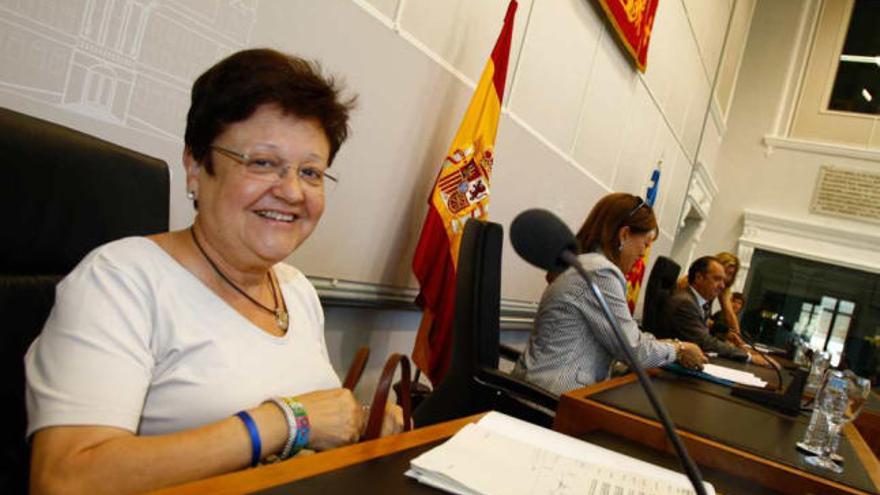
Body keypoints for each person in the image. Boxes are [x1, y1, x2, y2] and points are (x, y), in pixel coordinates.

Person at [25, 48, 402, 494]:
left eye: (311, 172)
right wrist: (285, 421)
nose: (292, 191)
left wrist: (357, 422)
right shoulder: (119, 279)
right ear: (195, 167)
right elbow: (66, 480)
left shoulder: (296, 289)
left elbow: (309, 427)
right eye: (263, 163)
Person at [512, 193, 707, 395]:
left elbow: (627, 336)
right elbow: (634, 351)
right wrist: (679, 349)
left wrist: (667, 345)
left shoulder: (586, 264)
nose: (643, 253)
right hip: (551, 397)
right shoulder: (600, 272)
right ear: (624, 235)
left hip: (539, 386)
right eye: (645, 243)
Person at [661, 257, 771, 366]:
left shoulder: (697, 302)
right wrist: (748, 356)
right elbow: (705, 342)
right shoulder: (685, 303)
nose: (722, 286)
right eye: (717, 279)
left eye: (724, 280)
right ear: (699, 277)